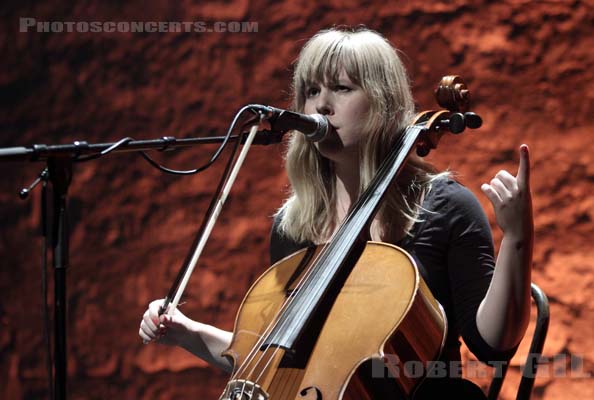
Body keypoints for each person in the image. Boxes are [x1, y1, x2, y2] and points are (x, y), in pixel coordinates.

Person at [138, 27, 533, 397]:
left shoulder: (444, 207)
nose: (320, 105)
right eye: (311, 91)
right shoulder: (294, 225)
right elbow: (280, 365)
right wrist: (188, 332)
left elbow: (492, 346)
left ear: (383, 101)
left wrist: (517, 238)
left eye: (340, 89)